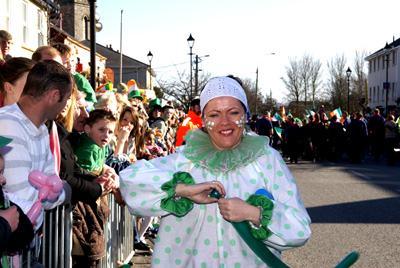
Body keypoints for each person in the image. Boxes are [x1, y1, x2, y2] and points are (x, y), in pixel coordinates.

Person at [120, 76, 311, 267]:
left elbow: (299, 228)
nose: (225, 122)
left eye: (234, 112)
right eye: (214, 115)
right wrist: (181, 189)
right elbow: (130, 180)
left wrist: (254, 213)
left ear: (245, 115)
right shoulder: (185, 160)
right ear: (203, 119)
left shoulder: (266, 159)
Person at [0, 60, 72, 208]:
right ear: (54, 96)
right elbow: (21, 197)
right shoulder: (8, 124)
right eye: (67, 98)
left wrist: (55, 191)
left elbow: (51, 181)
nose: (67, 105)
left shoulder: (42, 128)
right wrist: (65, 193)